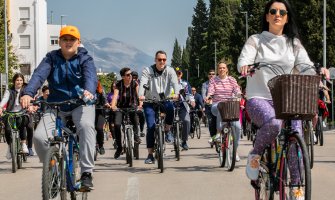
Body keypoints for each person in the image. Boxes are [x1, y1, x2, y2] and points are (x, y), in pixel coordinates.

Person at [238, 1, 329, 199]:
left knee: (296, 136)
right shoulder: (256, 40)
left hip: (287, 100)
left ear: (287, 17)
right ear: (267, 16)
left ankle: (297, 188)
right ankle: (255, 154)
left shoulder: (293, 43)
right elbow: (244, 58)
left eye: (282, 12)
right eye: (273, 11)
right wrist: (245, 65)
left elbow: (304, 64)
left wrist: (316, 70)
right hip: (259, 98)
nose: (277, 14)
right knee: (274, 123)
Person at [21, 25, 97, 191]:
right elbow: (38, 76)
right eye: (65, 39)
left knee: (86, 127)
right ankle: (53, 170)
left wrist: (89, 92)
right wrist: (28, 93)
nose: (68, 42)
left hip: (81, 103)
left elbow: (90, 77)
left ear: (79, 42)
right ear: (60, 42)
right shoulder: (51, 58)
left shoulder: (85, 59)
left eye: (72, 39)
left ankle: (86, 173)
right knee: (40, 138)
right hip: (55, 105)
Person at [138, 50, 180, 164]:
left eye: (164, 60)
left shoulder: (170, 71)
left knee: (171, 109)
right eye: (159, 59)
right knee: (151, 127)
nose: (162, 61)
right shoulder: (148, 71)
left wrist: (176, 93)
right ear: (155, 60)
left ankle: (167, 130)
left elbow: (175, 83)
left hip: (164, 99)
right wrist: (141, 95)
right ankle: (150, 155)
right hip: (150, 101)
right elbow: (143, 83)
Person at [205, 61, 242, 162]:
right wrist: (208, 96)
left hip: (230, 106)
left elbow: (237, 89)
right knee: (221, 107)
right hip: (217, 105)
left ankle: (235, 150)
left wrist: (239, 95)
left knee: (238, 127)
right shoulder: (213, 80)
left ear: (227, 70)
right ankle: (218, 133)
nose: (221, 69)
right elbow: (211, 91)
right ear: (218, 70)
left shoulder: (231, 79)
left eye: (223, 68)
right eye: (220, 68)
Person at [111, 67, 141, 159]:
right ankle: (119, 147)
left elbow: (138, 95)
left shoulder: (135, 83)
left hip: (132, 106)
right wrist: (113, 106)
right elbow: (115, 96)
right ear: (123, 77)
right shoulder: (118, 84)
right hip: (121, 107)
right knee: (117, 124)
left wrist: (140, 105)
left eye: (131, 74)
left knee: (135, 121)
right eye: (128, 75)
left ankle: (136, 136)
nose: (130, 76)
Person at [0, 73, 33, 158]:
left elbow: (29, 100)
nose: (19, 82)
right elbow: (4, 100)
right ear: (14, 81)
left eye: (21, 80)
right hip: (10, 113)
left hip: (22, 112)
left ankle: (23, 144)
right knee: (7, 129)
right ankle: (10, 147)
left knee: (23, 124)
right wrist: (0, 107)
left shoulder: (25, 90)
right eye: (17, 80)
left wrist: (30, 107)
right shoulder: (9, 91)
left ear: (23, 81)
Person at [175, 69, 195, 150]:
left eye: (179, 73)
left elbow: (189, 93)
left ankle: (184, 141)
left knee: (187, 121)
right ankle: (168, 134)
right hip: (171, 105)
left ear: (181, 74)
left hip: (182, 105)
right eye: (176, 73)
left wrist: (192, 101)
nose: (177, 75)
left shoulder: (185, 83)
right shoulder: (168, 82)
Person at [201, 69, 217, 141]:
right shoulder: (205, 84)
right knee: (211, 122)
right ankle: (212, 137)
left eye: (213, 74)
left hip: (217, 105)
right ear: (208, 75)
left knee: (219, 121)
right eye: (210, 74)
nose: (211, 75)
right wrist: (206, 100)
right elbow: (204, 95)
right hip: (209, 106)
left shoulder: (218, 83)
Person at [132, 71, 146, 137]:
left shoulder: (141, 83)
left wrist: (141, 104)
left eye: (135, 76)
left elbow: (143, 93)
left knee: (142, 116)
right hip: (131, 102)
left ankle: (141, 130)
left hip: (140, 101)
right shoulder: (128, 83)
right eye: (133, 76)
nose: (134, 78)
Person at [95, 80, 107, 155]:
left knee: (99, 129)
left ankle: (101, 146)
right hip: (88, 111)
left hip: (99, 111)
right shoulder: (85, 87)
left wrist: (106, 104)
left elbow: (104, 98)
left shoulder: (101, 89)